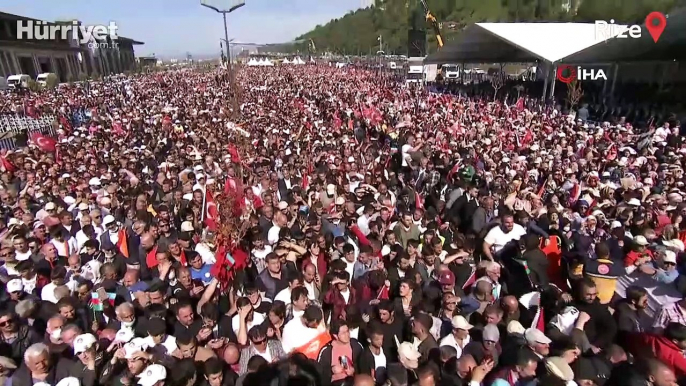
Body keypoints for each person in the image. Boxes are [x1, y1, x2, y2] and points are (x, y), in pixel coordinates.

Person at [317, 319, 363, 386]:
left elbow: (364, 366)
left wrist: (354, 369)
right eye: (343, 333)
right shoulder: (327, 351)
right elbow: (319, 372)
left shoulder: (356, 346)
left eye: (347, 331)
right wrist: (331, 370)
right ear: (335, 336)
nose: (347, 334)